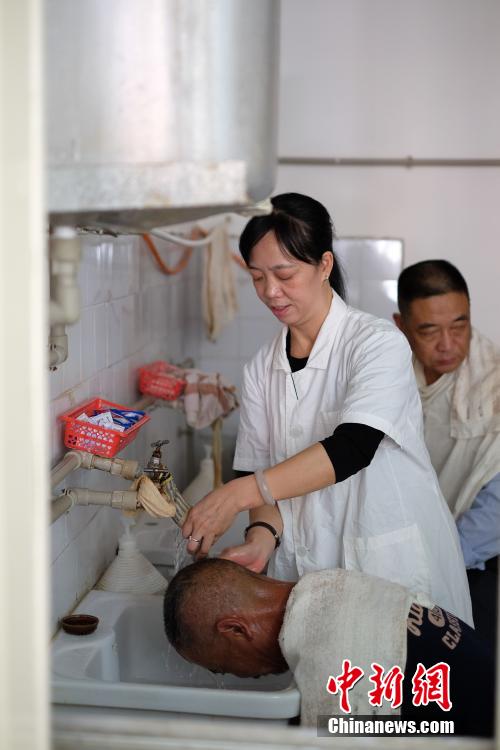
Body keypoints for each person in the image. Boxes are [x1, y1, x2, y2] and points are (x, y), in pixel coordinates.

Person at [182, 193, 472, 625]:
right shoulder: (263, 366)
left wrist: (238, 495)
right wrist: (262, 535)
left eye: (284, 274)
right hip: (308, 569)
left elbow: (352, 447)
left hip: (388, 565)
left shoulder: (376, 344)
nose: (270, 292)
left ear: (324, 266)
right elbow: (257, 469)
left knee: (395, 685)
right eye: (257, 277)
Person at [164, 559, 494, 736]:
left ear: (235, 629)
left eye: (220, 667)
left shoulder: (330, 665)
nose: (237, 675)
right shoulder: (332, 585)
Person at [394, 260, 500, 651]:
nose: (448, 344)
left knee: (470, 670)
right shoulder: (388, 376)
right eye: (429, 331)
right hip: (400, 555)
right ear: (400, 326)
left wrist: (437, 560)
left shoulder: (493, 385)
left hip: (472, 558)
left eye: (460, 326)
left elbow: (496, 509)